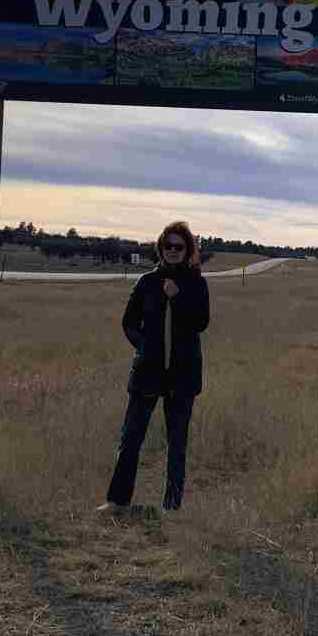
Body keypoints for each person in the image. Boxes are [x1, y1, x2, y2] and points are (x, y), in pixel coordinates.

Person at [98, 221, 210, 515]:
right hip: (148, 372)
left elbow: (201, 322)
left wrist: (178, 297)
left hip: (183, 375)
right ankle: (116, 502)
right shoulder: (146, 282)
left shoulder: (196, 284)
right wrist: (144, 347)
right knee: (131, 438)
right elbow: (129, 322)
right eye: (168, 246)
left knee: (177, 443)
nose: (173, 251)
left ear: (187, 250)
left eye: (179, 246)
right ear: (160, 248)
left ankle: (171, 507)